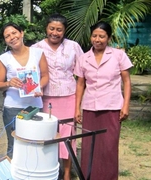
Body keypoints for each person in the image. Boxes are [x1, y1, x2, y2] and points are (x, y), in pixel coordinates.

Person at [74, 21, 133, 180]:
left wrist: (125, 105)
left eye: (102, 36)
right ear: (90, 36)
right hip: (90, 108)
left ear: (109, 38)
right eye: (94, 35)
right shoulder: (83, 58)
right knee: (89, 146)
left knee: (109, 147)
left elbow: (127, 81)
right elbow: (80, 84)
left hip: (112, 108)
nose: (97, 39)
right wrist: (76, 108)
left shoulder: (118, 55)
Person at [32, 13, 83, 180]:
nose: (55, 32)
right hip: (45, 98)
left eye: (59, 30)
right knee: (48, 134)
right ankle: (51, 171)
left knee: (68, 137)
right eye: (52, 28)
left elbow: (82, 73)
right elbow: (29, 73)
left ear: (64, 31)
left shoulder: (73, 46)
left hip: (69, 97)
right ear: (46, 28)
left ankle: (67, 172)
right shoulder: (36, 48)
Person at [0, 22, 49, 158]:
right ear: (5, 40)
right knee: (14, 145)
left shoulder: (38, 53)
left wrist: (39, 86)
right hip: (13, 107)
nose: (12, 37)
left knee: (36, 143)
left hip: (35, 106)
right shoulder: (3, 59)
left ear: (21, 33)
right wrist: (9, 83)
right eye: (7, 36)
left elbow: (45, 76)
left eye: (14, 33)